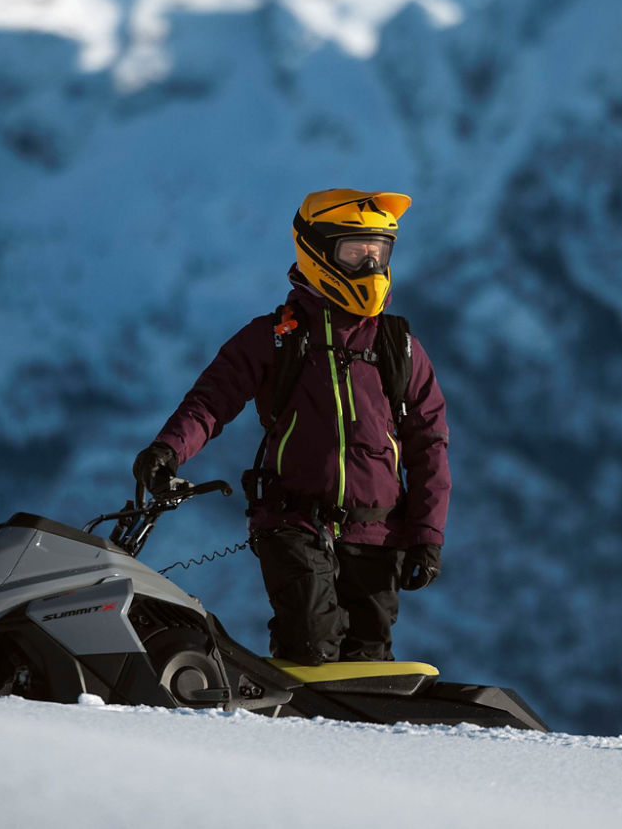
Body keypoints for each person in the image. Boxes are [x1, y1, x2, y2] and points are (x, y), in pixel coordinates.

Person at [133, 188, 448, 665]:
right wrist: (167, 451)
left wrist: (426, 536)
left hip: (379, 535)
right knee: (311, 649)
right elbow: (211, 401)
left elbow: (430, 445)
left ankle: (364, 743)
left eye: (377, 254)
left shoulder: (398, 346)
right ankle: (289, 736)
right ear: (318, 251)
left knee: (367, 668)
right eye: (355, 253)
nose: (370, 267)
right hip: (294, 523)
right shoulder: (275, 337)